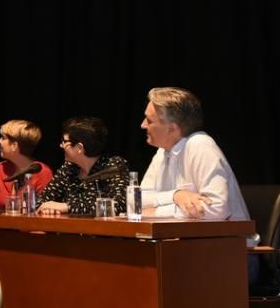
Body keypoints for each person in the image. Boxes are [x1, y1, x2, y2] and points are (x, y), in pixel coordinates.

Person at [138, 87, 252, 228]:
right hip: (186, 241)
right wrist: (175, 195)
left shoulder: (201, 145)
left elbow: (218, 208)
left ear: (171, 129)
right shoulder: (162, 152)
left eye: (149, 120)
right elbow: (137, 201)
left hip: (229, 244)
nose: (143, 125)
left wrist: (156, 212)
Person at [36, 117, 130, 216]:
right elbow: (40, 201)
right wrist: (48, 208)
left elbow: (118, 205)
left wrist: (67, 207)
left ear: (79, 148)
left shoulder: (113, 165)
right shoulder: (69, 168)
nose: (61, 145)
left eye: (64, 141)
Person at [0, 120, 53, 212]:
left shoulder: (42, 172)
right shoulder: (0, 168)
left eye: (3, 138)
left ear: (14, 146)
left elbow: (45, 211)